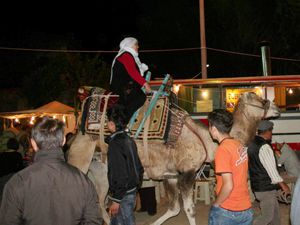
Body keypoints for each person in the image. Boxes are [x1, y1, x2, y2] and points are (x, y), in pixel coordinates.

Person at [0, 117, 102, 225]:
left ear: (33, 144)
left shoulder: (17, 183)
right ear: (63, 140)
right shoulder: (82, 180)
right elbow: (93, 220)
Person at [207, 109, 253, 225]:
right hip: (246, 209)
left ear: (213, 129)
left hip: (228, 210)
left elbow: (228, 184)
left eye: (209, 126)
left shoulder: (223, 149)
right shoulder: (239, 145)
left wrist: (216, 204)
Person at [106, 104, 144, 225]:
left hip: (122, 195)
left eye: (108, 121)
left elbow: (120, 174)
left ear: (112, 124)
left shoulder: (115, 144)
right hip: (130, 191)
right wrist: (136, 187)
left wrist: (116, 200)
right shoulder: (129, 139)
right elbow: (139, 168)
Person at [248, 120, 290, 225]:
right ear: (267, 131)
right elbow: (272, 171)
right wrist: (283, 185)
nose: (272, 133)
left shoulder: (252, 143)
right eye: (271, 131)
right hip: (265, 188)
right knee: (266, 217)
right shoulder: (264, 147)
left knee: (275, 217)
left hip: (258, 186)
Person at [110, 37, 152, 123]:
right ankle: (120, 122)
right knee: (140, 97)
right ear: (130, 45)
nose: (138, 47)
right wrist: (145, 84)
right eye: (136, 44)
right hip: (121, 86)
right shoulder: (126, 55)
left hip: (126, 85)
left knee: (139, 96)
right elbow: (132, 71)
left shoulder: (129, 55)